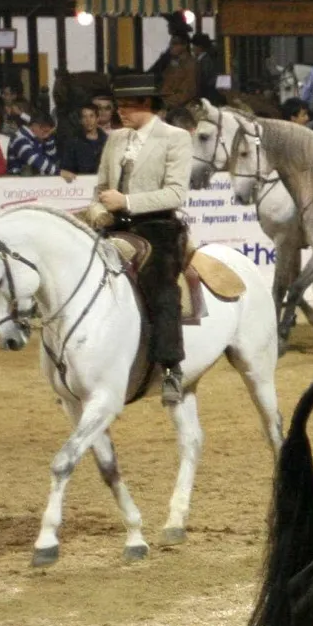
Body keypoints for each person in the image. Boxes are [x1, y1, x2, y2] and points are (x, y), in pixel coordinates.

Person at [86, 73, 194, 405]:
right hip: (116, 224)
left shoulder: (175, 137)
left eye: (125, 106)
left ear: (147, 105)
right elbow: (101, 188)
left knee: (160, 285)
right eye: (118, 105)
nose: (119, 112)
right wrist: (97, 211)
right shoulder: (116, 139)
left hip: (158, 227)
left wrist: (128, 202)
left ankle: (172, 367)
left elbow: (176, 193)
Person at [59, 105, 109, 182]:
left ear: (97, 118)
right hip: (80, 185)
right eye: (84, 117)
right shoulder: (72, 143)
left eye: (91, 116)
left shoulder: (107, 141)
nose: (88, 120)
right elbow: (66, 169)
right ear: (80, 120)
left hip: (103, 183)